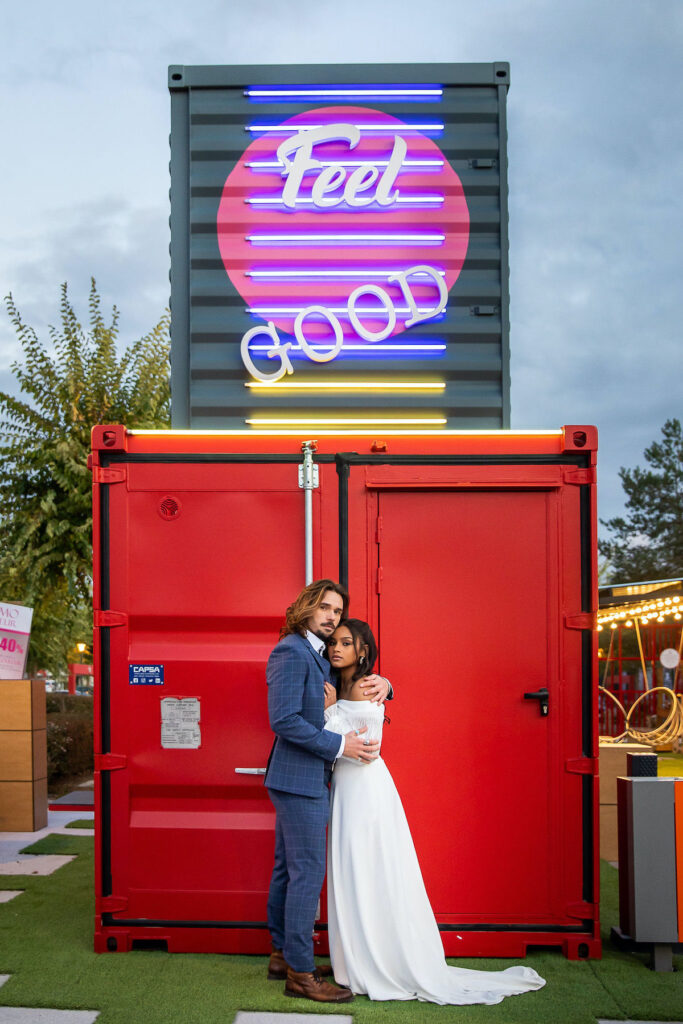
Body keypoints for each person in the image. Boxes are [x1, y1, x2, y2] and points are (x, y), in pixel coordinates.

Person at [323, 619, 546, 1005]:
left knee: (367, 868)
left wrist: (330, 711)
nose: (335, 649)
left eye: (345, 643)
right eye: (333, 643)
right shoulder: (339, 681)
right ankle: (354, 959)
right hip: (347, 788)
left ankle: (378, 961)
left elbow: (366, 745)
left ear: (363, 651)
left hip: (365, 790)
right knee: (352, 869)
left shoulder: (365, 685)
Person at [264, 580, 391, 1003]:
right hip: (299, 780)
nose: (332, 616)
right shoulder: (291, 651)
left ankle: (283, 956)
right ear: (305, 607)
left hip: (301, 779)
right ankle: (301, 974)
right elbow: (283, 720)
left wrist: (387, 684)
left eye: (337, 611)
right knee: (305, 874)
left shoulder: (317, 654)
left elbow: (356, 679)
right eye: (324, 607)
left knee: (289, 870)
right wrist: (340, 745)